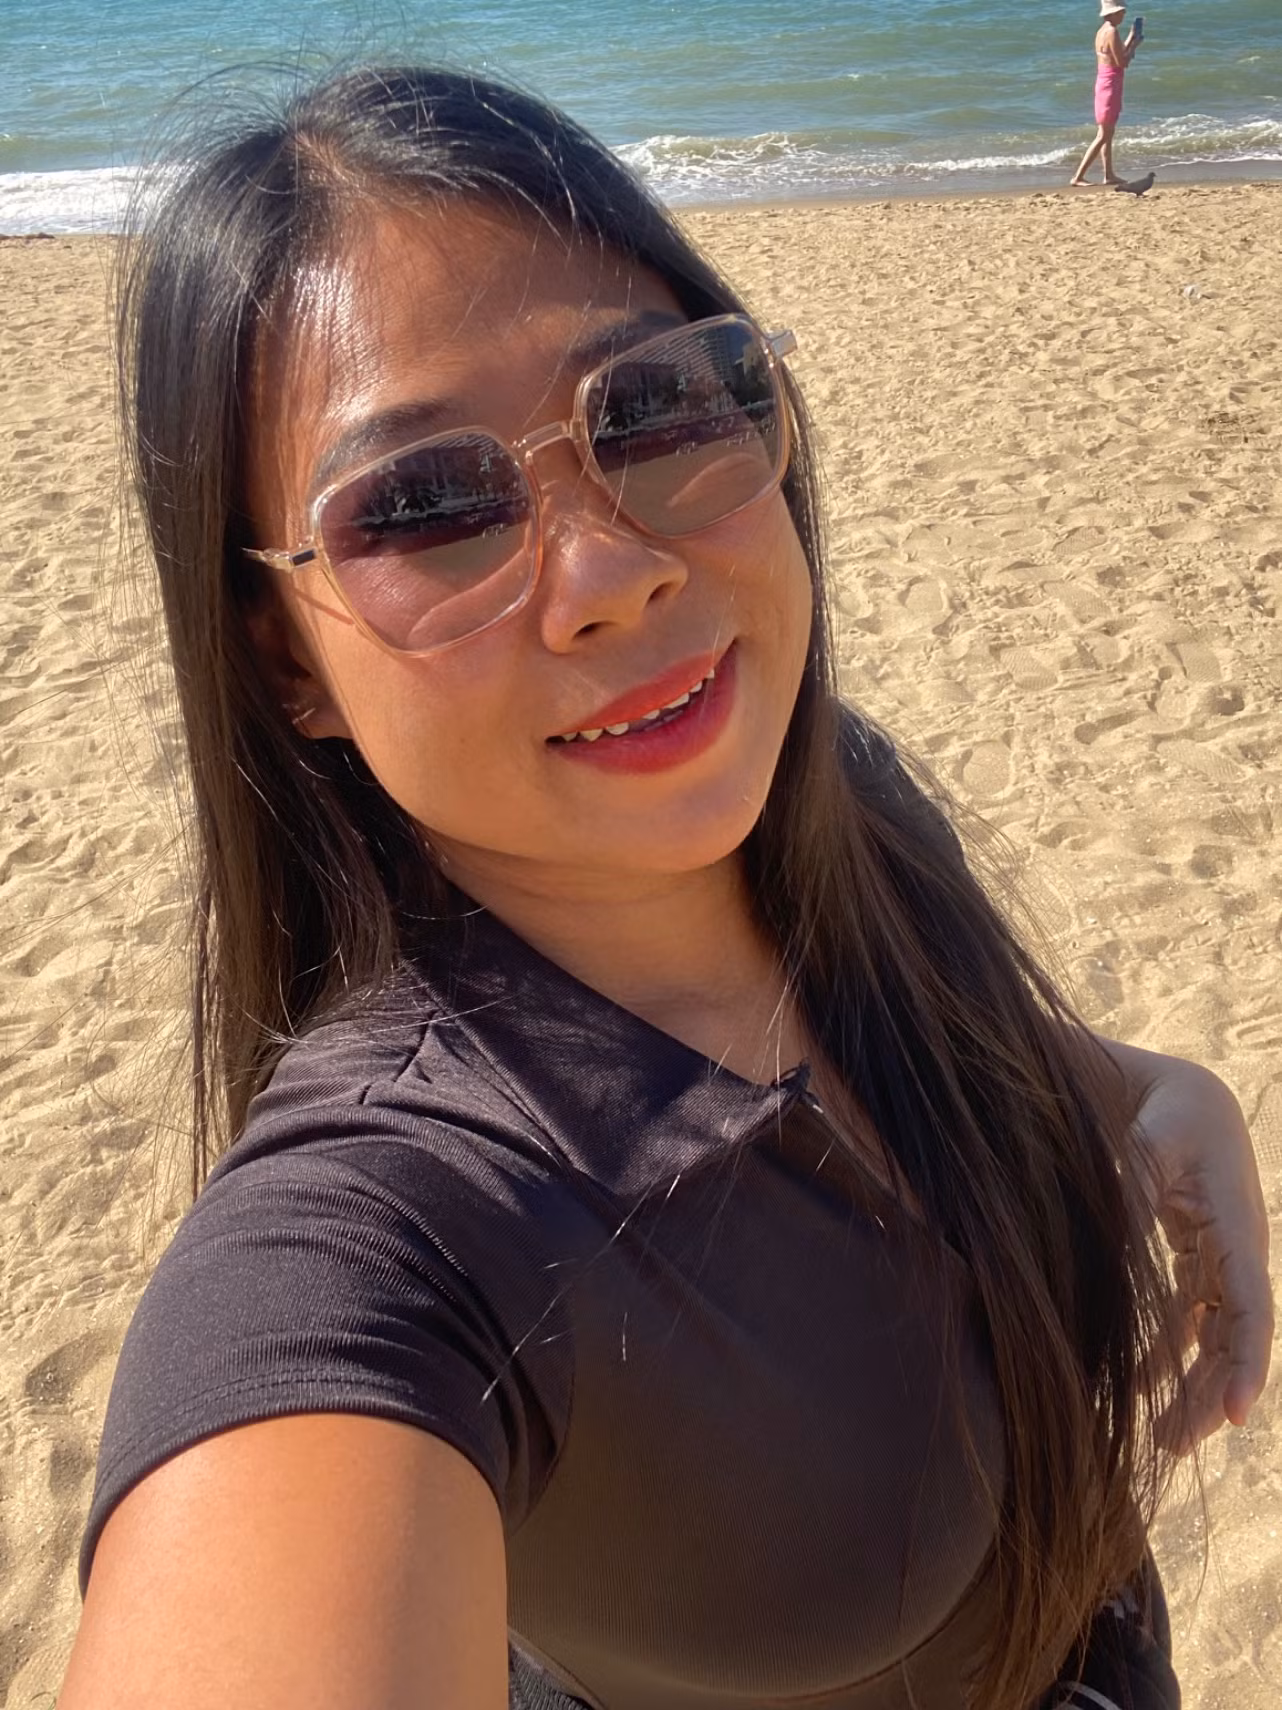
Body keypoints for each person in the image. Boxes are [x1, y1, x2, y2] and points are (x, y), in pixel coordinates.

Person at [59, 67, 1271, 1710]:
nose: (613, 570)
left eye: (651, 407)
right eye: (424, 507)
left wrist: (1151, 1097)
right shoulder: (388, 1229)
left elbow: (918, 1058)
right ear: (285, 663)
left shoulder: (831, 800)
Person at [1072, 2, 1143, 187]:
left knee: (1107, 132)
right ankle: (1078, 176)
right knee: (1104, 135)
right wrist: (1135, 46)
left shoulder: (1103, 30)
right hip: (1111, 85)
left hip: (1104, 82)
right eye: (1120, 12)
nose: (1123, 15)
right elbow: (1122, 62)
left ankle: (1109, 174)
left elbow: (1114, 53)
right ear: (1112, 14)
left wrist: (1131, 37)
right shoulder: (1112, 32)